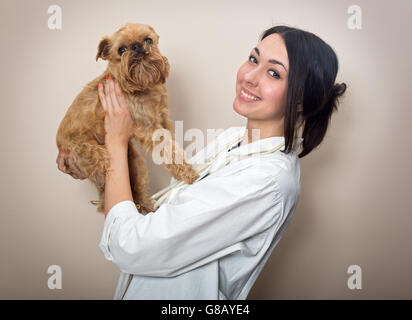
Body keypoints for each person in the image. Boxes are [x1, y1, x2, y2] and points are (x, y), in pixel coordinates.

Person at [56, 25, 346, 299]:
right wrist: (94, 159)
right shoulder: (234, 139)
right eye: (252, 59)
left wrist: (115, 143)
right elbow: (170, 218)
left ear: (301, 100)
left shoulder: (266, 182)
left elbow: (131, 246)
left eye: (273, 73)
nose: (249, 76)